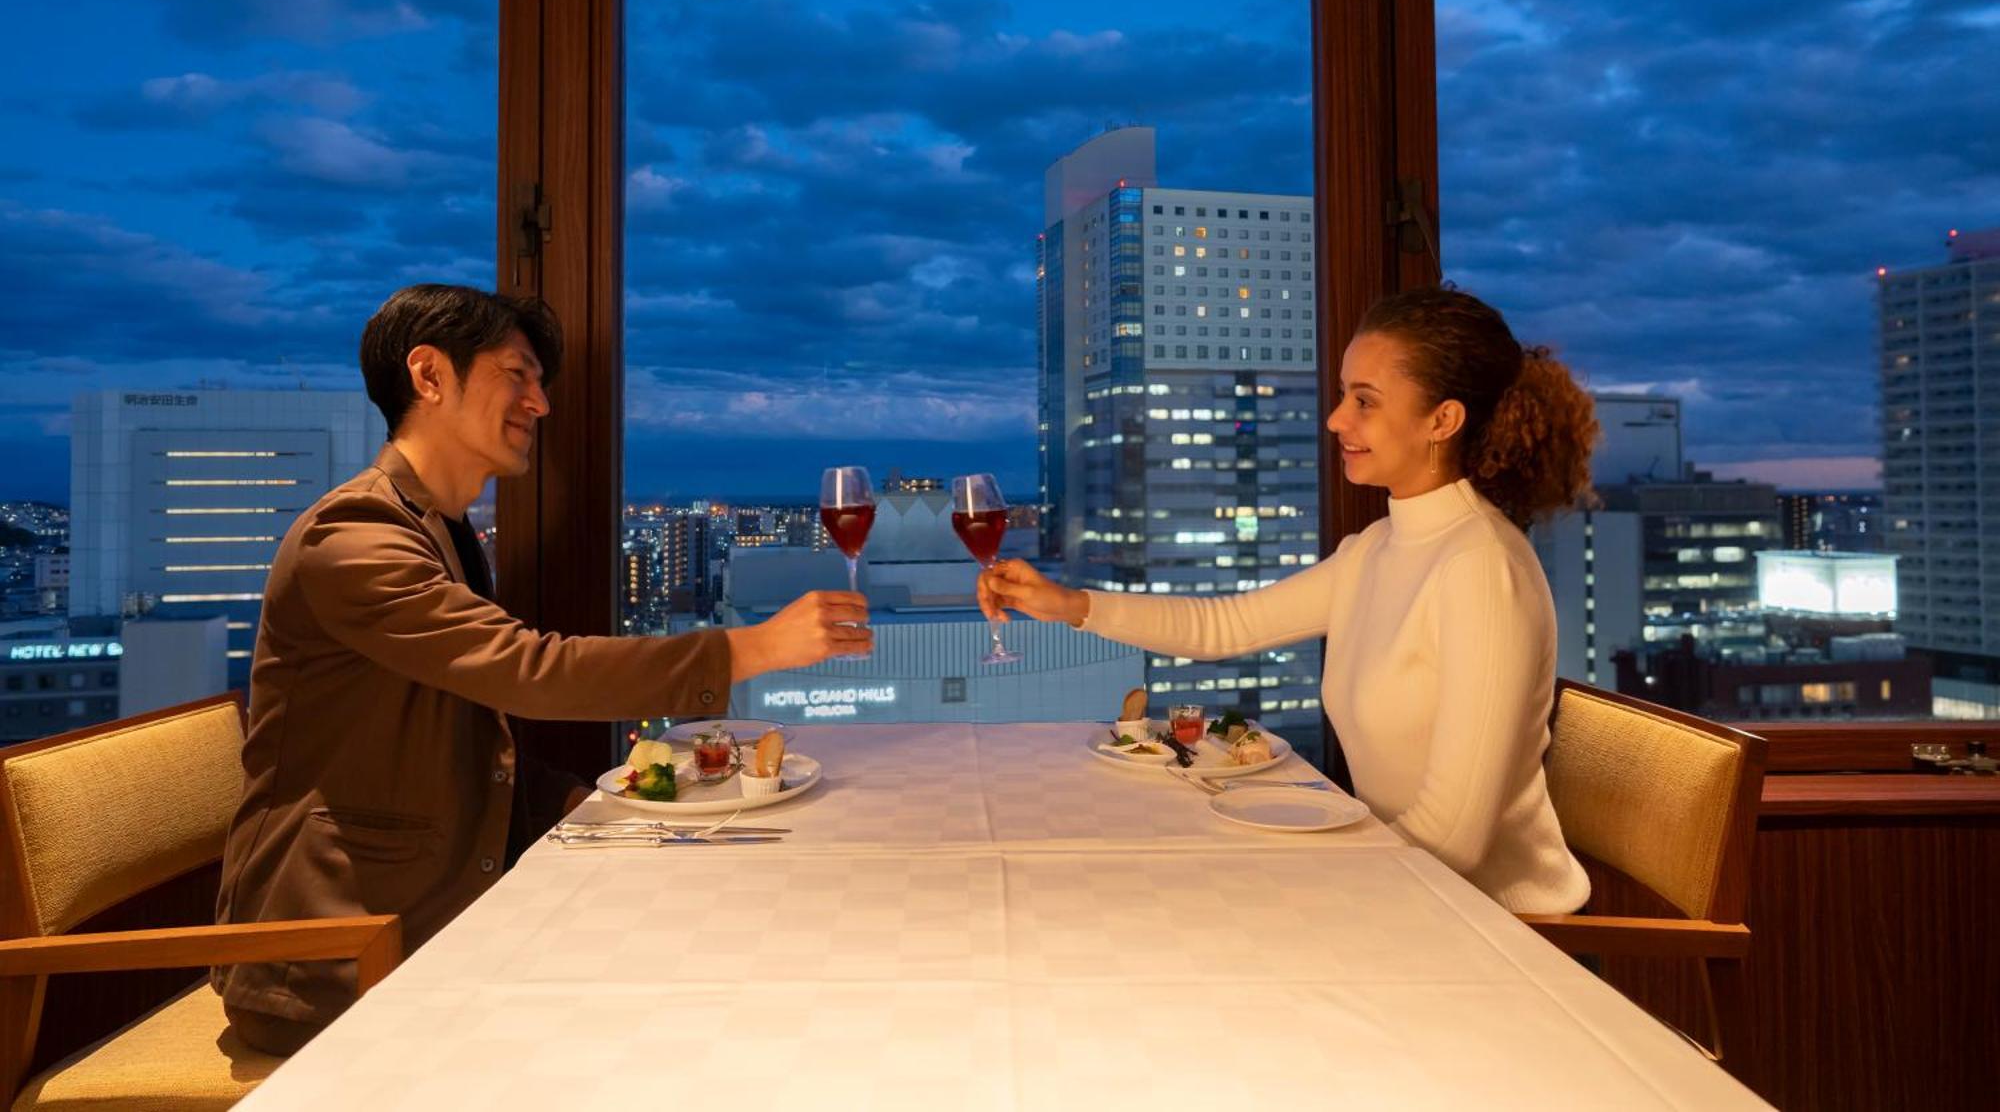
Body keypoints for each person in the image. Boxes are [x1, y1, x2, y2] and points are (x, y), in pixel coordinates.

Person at [213, 285, 869, 1054]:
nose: (541, 403)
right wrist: (752, 648)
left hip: (424, 921)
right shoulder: (353, 535)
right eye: (516, 374)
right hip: (340, 958)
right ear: (429, 376)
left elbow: (462, 740)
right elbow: (526, 669)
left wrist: (594, 804)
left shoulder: (441, 534)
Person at [981, 285, 1597, 914]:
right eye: (1342, 395)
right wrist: (1067, 604)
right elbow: (1227, 626)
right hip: (1400, 886)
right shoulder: (1380, 547)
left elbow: (1452, 841)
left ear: (1442, 419)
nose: (1336, 420)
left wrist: (1307, 888)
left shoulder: (1480, 568)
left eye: (1365, 401)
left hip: (1496, 927)